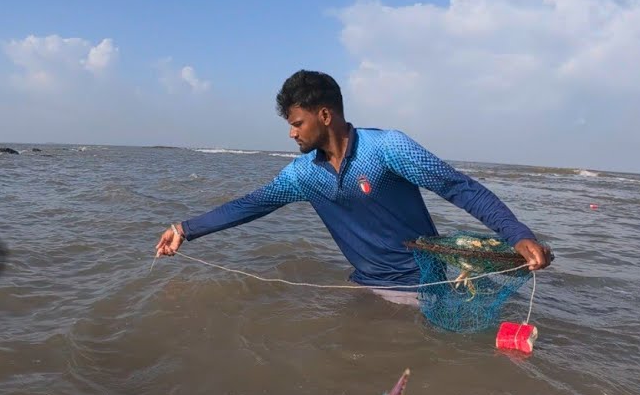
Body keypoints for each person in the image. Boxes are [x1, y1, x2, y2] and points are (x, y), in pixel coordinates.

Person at [154, 70, 552, 304]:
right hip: (364, 288)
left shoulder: (387, 149)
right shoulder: (302, 174)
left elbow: (458, 188)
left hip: (423, 290)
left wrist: (517, 234)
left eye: (297, 123)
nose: (291, 133)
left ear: (324, 115)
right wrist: (185, 230)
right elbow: (251, 204)